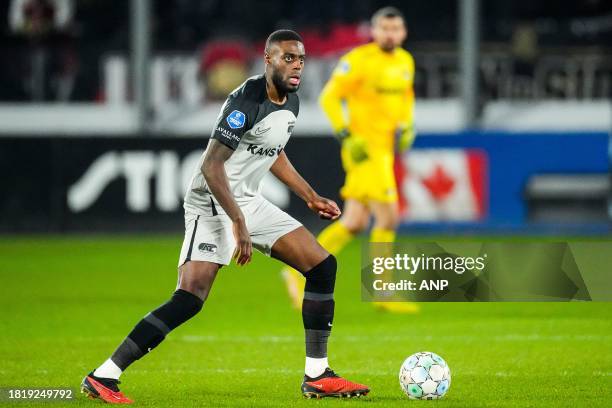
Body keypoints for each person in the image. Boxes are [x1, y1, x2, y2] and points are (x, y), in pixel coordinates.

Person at [80, 30, 370, 403]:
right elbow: (211, 166)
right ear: (268, 60)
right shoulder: (245, 101)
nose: (296, 64)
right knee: (189, 298)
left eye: (300, 58)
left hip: (248, 200)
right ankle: (104, 375)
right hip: (212, 201)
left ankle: (317, 374)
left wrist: (310, 196)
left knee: (321, 266)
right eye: (287, 58)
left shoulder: (291, 101)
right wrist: (238, 224)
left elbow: (274, 151)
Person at [282, 7, 419, 313]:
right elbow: (329, 97)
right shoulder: (358, 61)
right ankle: (383, 291)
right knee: (388, 218)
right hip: (364, 150)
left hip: (385, 149)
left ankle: (295, 268)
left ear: (403, 32)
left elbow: (405, 98)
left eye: (395, 29)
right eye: (384, 28)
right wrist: (346, 134)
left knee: (355, 222)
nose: (390, 34)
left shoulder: (405, 62)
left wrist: (408, 124)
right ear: (374, 30)